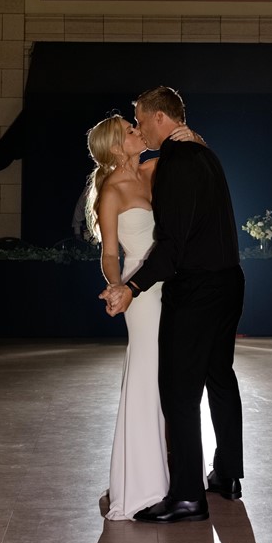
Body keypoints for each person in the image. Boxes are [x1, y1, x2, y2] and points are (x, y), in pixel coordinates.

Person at [104, 86, 245, 525]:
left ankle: (187, 496)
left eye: (141, 119)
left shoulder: (178, 162)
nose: (139, 126)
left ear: (161, 118)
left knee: (179, 394)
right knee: (220, 377)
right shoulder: (204, 155)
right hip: (229, 283)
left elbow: (172, 247)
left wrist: (132, 287)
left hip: (197, 291)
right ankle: (226, 475)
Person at [86, 113, 198, 521]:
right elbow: (109, 254)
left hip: (171, 285)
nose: (139, 132)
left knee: (171, 379)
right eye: (131, 131)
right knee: (147, 378)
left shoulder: (153, 169)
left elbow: (193, 162)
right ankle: (142, 483)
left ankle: (173, 475)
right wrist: (120, 288)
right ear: (117, 147)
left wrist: (193, 137)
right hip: (141, 293)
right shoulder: (111, 191)